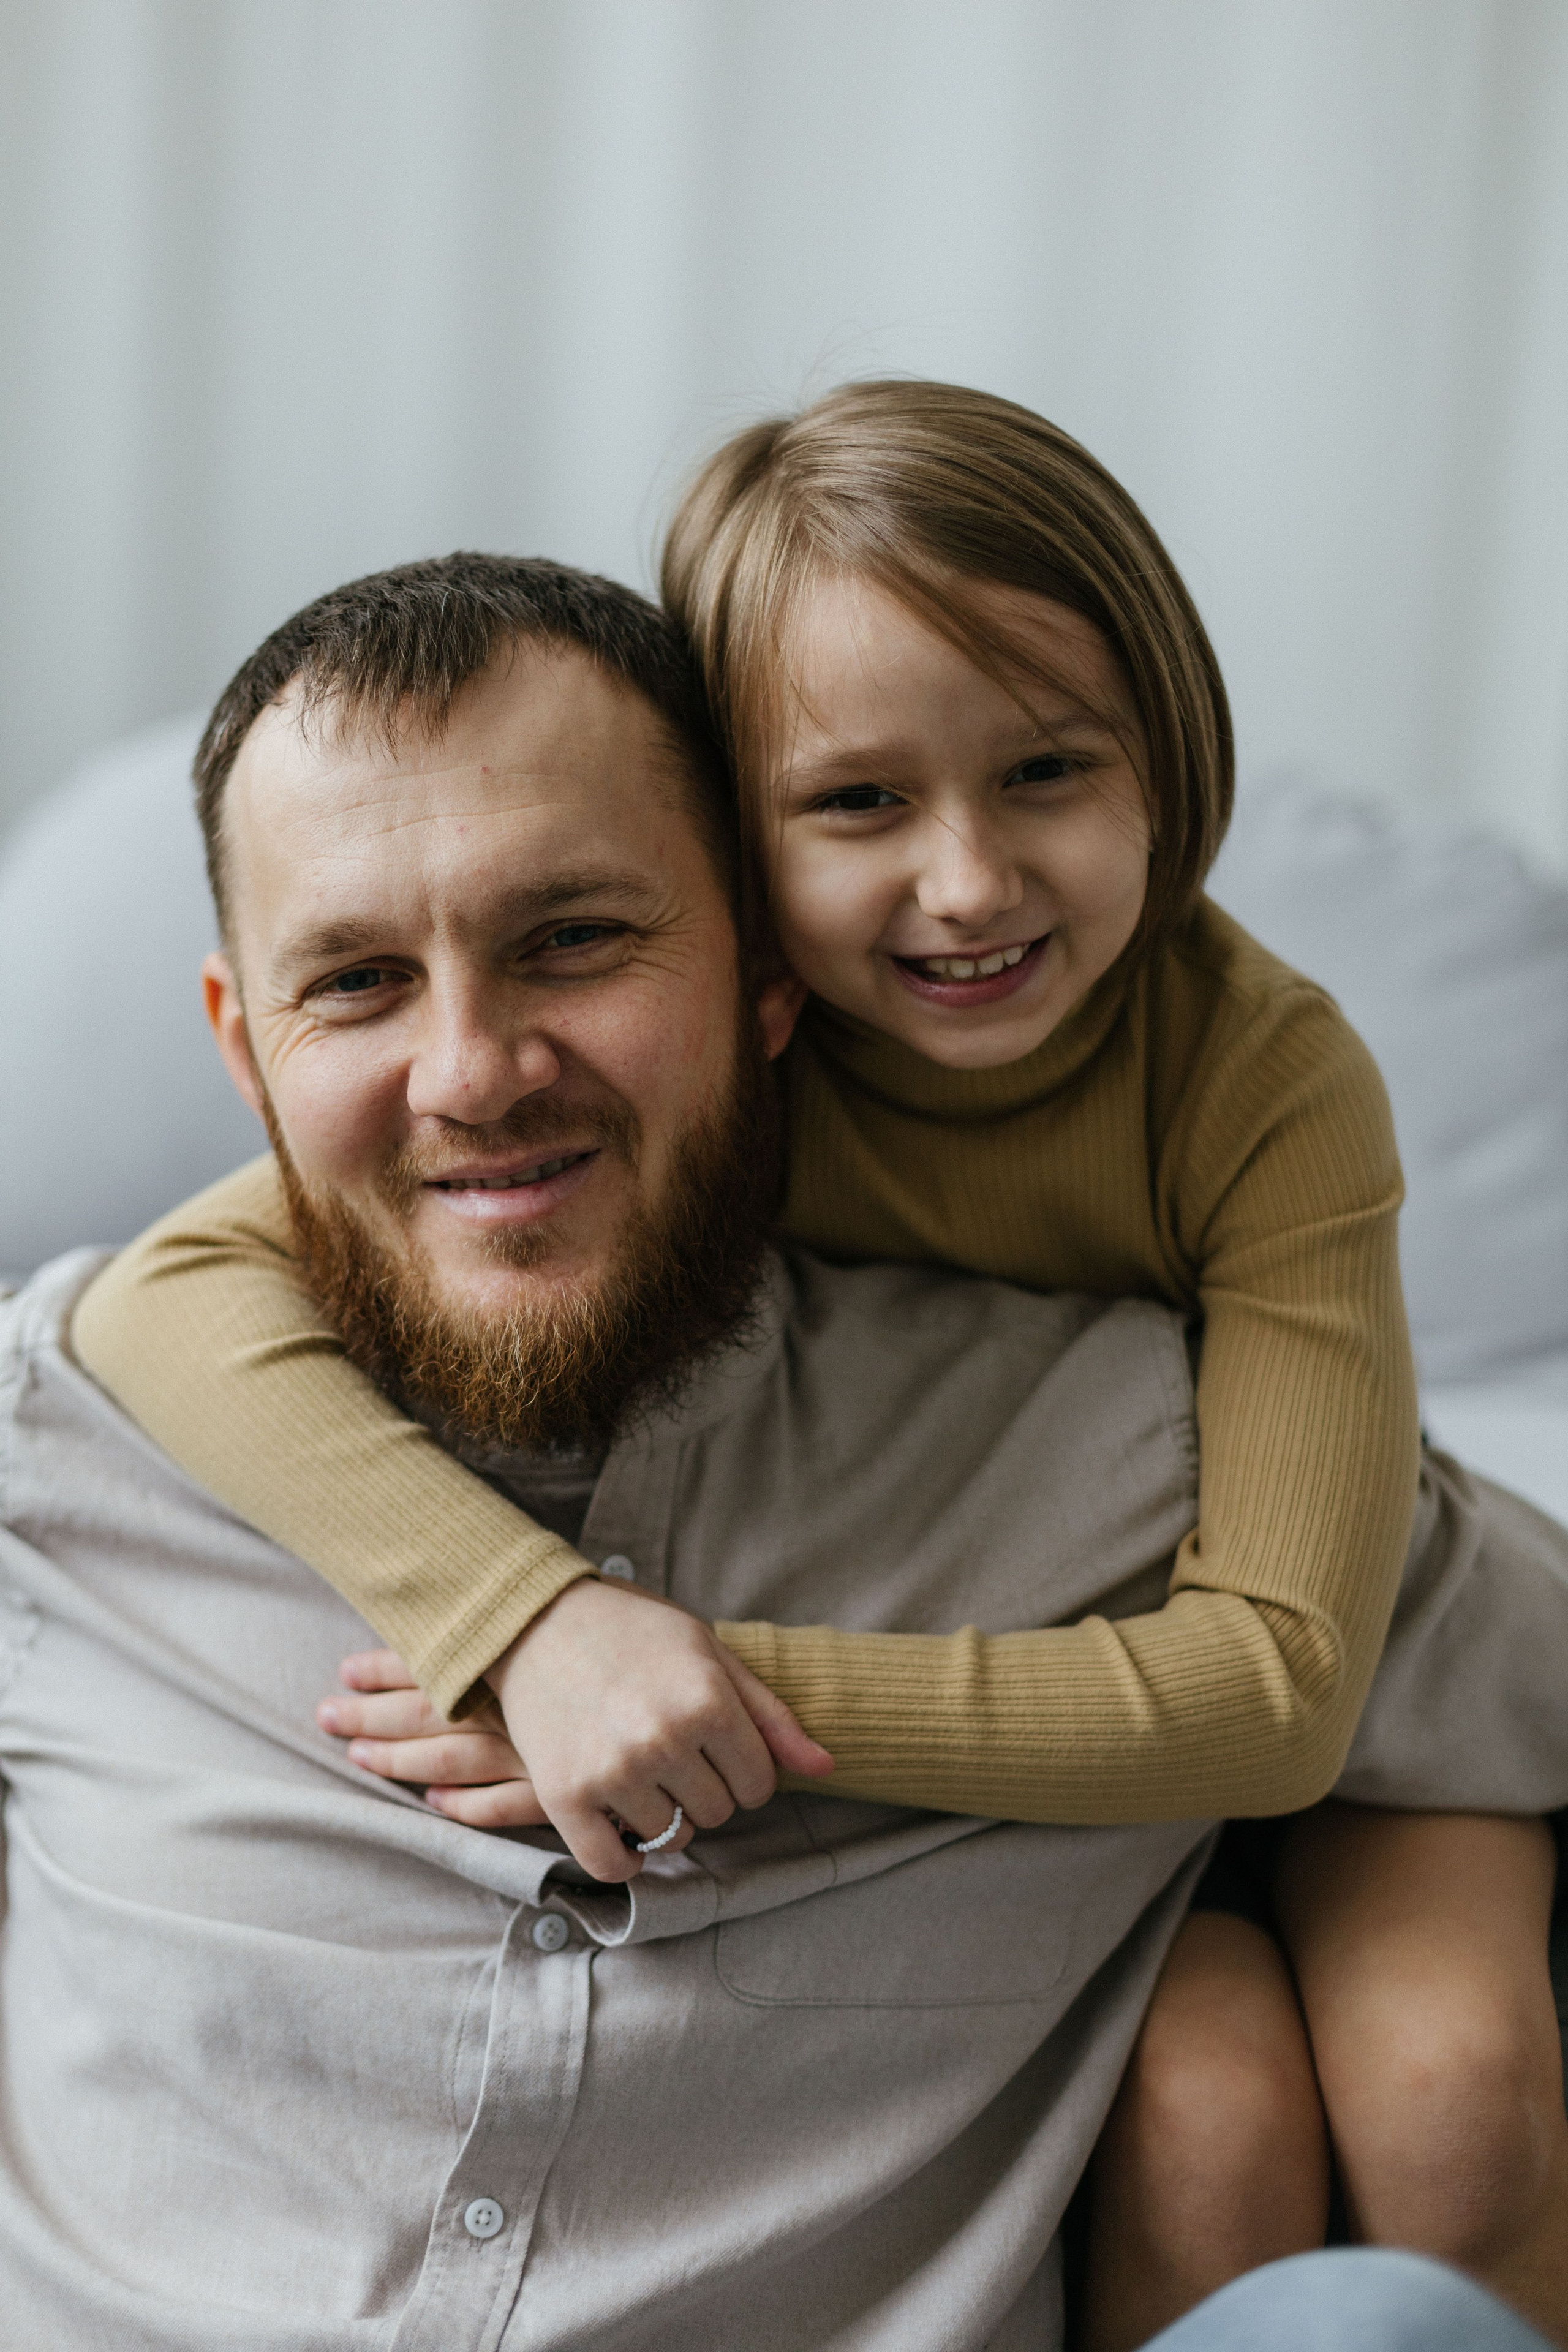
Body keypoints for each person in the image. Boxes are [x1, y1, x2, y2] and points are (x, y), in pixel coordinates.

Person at [74, 385, 1568, 2338]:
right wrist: (529, 1621)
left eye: (1048, 774)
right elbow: (151, 1297)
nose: (966, 890)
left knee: (1454, 2109)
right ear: (746, 856)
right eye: (859, 803)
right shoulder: (714, 1055)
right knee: (1201, 2097)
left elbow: (1288, 1691)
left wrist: (700, 1688)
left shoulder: (1260, 1081)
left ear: (1171, 762)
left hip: (1314, 1660)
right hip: (1051, 1739)